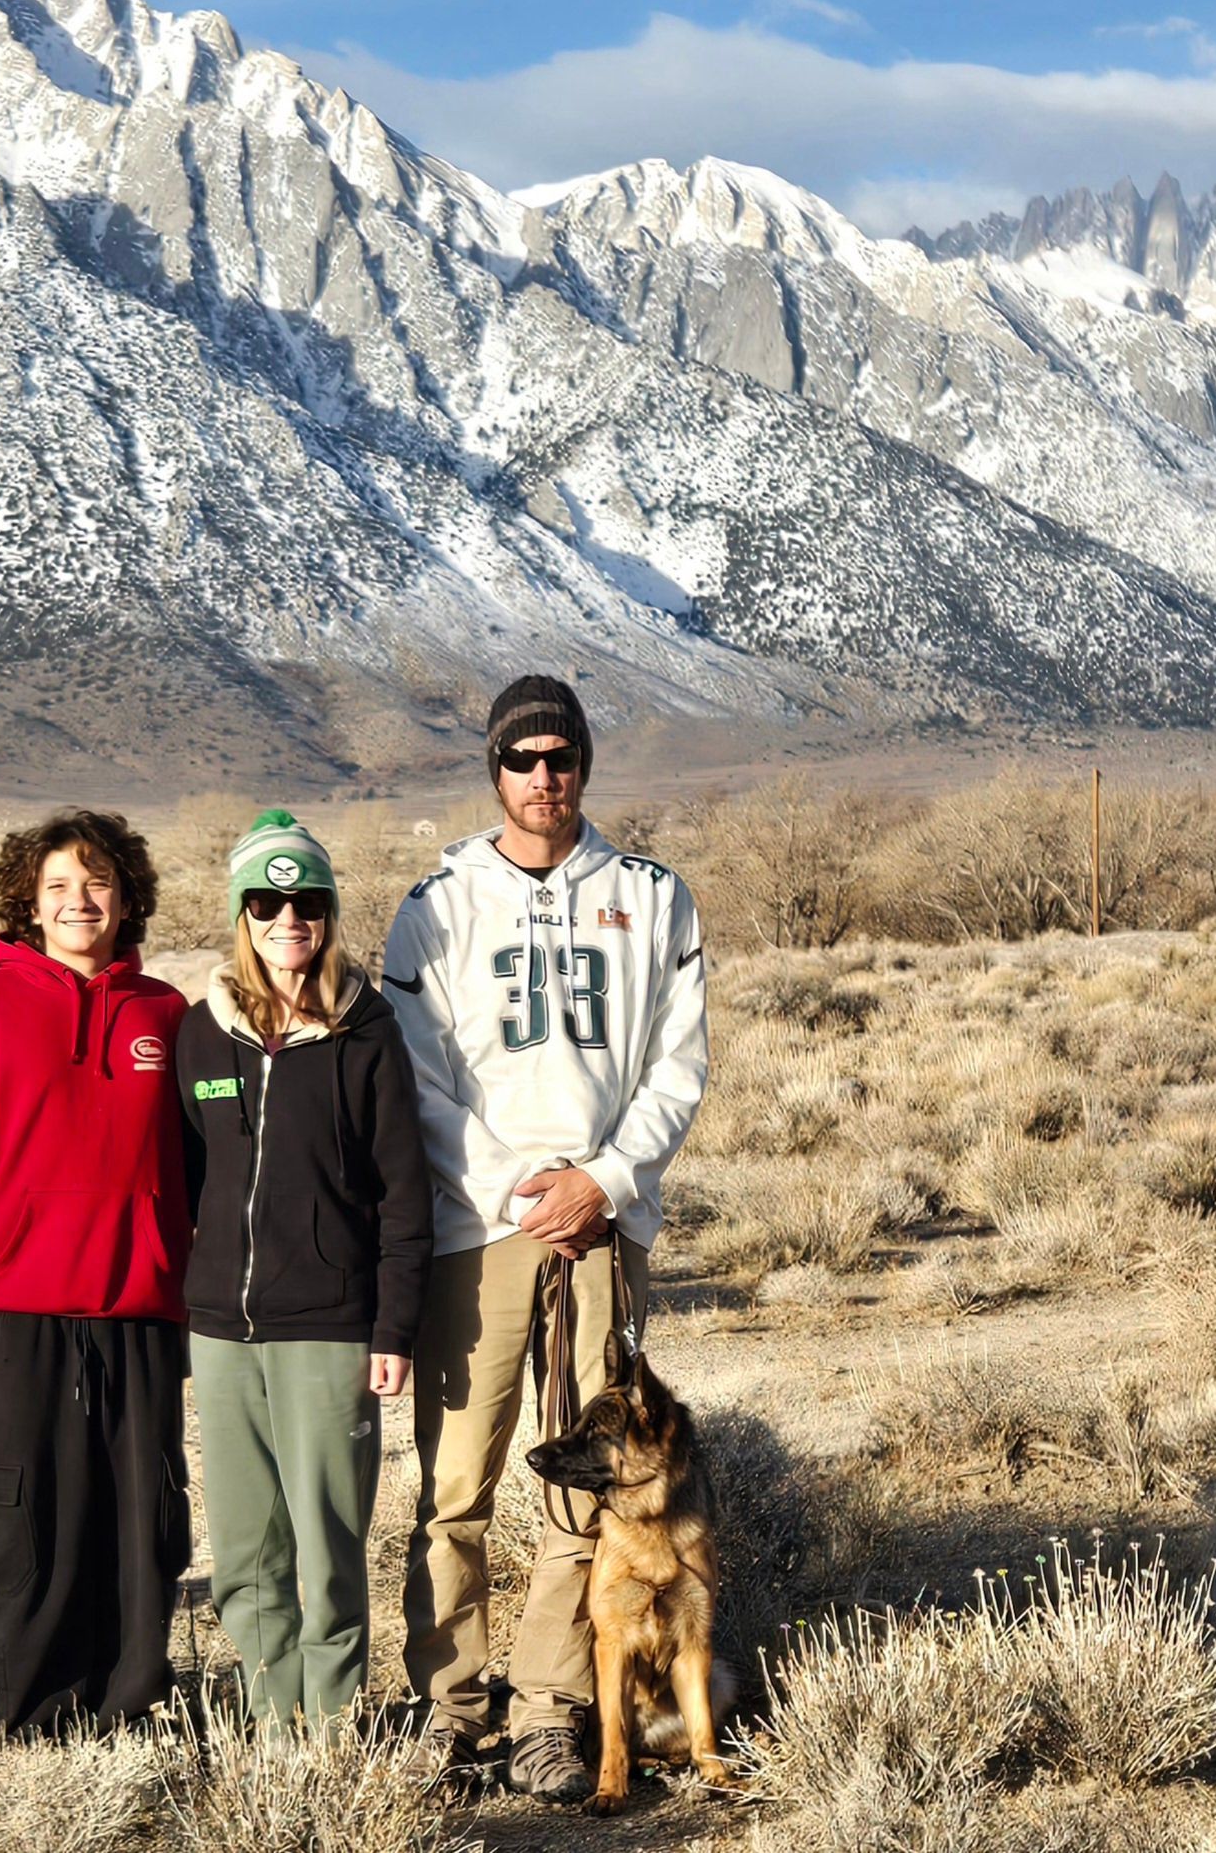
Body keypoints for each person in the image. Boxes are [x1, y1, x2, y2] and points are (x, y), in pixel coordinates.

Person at [384, 676, 709, 1802]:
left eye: (560, 754)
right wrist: (518, 1188)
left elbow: (678, 1066)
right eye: (521, 757)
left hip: (603, 1230)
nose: (543, 776)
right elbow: (415, 1079)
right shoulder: (436, 905)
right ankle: (450, 1706)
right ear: (493, 767)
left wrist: (603, 1181)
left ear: (585, 762)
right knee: (456, 1482)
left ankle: (552, 1708)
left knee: (590, 1485)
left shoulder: (652, 897)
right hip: (480, 1228)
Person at [0, 811, 192, 1733]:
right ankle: (27, 1716)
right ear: (29, 903)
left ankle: (128, 1711)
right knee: (21, 1517)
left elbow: (197, 1171)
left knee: (139, 1518)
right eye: (59, 887)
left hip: (142, 1310)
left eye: (97, 883)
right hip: (16, 1313)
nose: (80, 902)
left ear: (126, 895)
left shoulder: (165, 1014)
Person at [177, 808, 431, 1735]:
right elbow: (186, 1179)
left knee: (326, 1541)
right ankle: (269, 1726)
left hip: (329, 1324)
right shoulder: (202, 1036)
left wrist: (393, 1326)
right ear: (240, 914)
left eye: (307, 901)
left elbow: (406, 1194)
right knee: (246, 1547)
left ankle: (328, 1734)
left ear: (327, 912)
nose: (289, 918)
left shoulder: (368, 1034)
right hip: (222, 1330)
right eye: (267, 901)